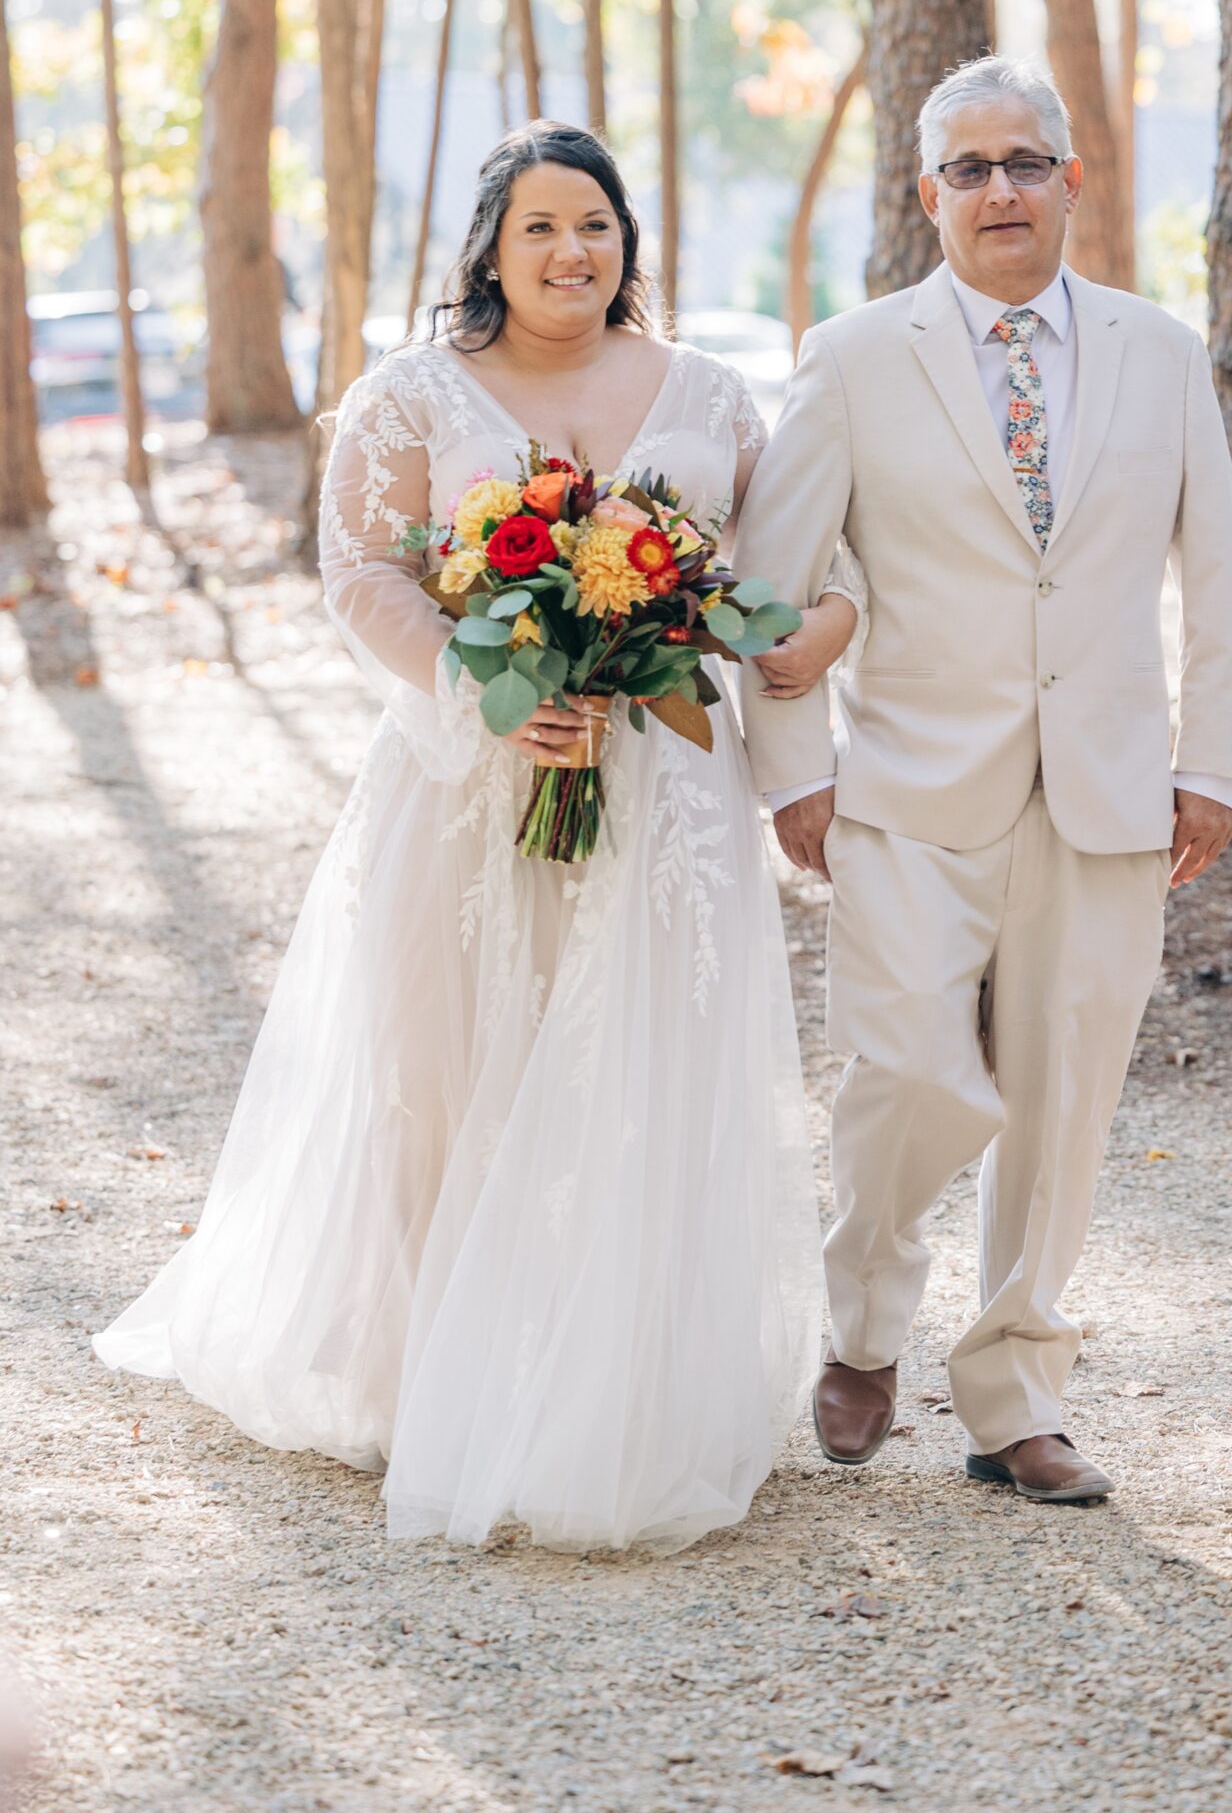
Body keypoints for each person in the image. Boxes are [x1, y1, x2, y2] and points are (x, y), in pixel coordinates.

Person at [95, 124, 860, 1555]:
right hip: (463, 786)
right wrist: (492, 694)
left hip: (664, 794)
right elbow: (361, 574)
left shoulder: (710, 395)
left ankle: (616, 1389)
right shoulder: (411, 397)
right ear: (491, 253)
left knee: (643, 1067)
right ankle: (424, 1381)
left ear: (629, 243)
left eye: (598, 225)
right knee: (444, 1068)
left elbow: (779, 576)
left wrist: (825, 630)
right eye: (542, 228)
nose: (574, 252)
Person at [738, 55, 1232, 1505]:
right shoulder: (853, 358)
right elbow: (769, 588)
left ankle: (1016, 1393)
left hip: (1107, 791)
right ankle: (861, 1319)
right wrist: (797, 771)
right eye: (968, 170)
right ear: (929, 197)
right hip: (906, 787)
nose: (1001, 192)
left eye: (1025, 162)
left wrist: (1212, 762)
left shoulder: (1161, 352)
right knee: (907, 1071)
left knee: (1063, 1100)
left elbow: (1215, 570)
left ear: (1072, 181)